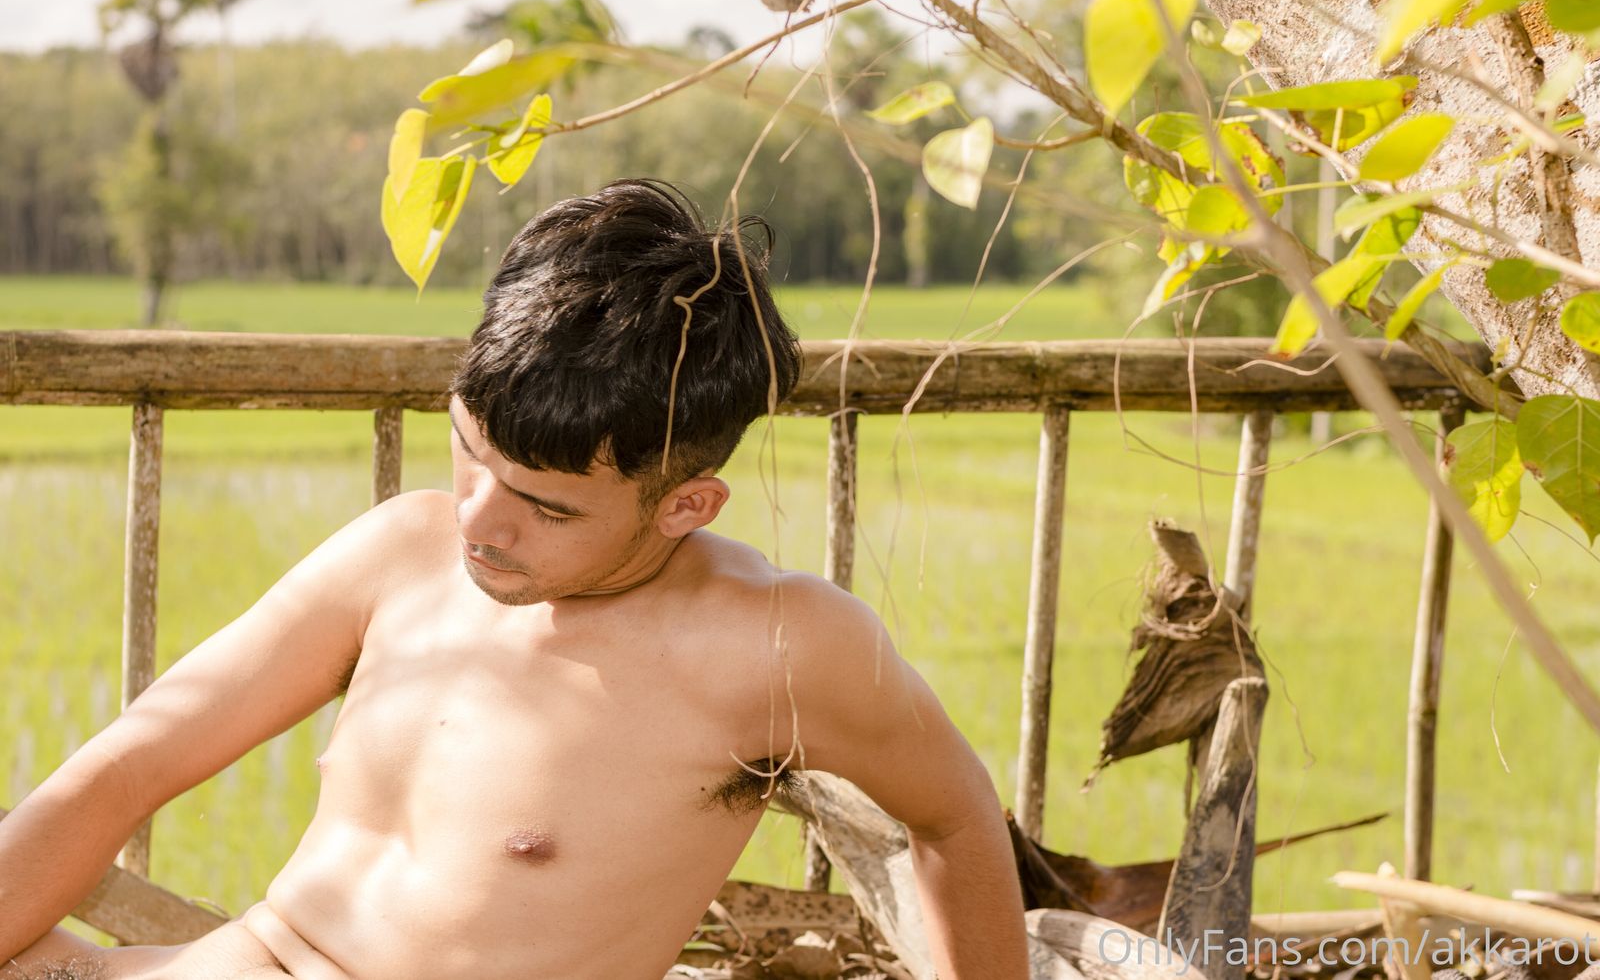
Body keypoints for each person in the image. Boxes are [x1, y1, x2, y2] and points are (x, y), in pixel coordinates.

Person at [0, 179, 1029, 980]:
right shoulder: (398, 552)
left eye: (548, 507)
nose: (477, 522)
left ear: (685, 504)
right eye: (468, 452)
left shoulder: (774, 643)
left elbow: (954, 816)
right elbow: (130, 764)